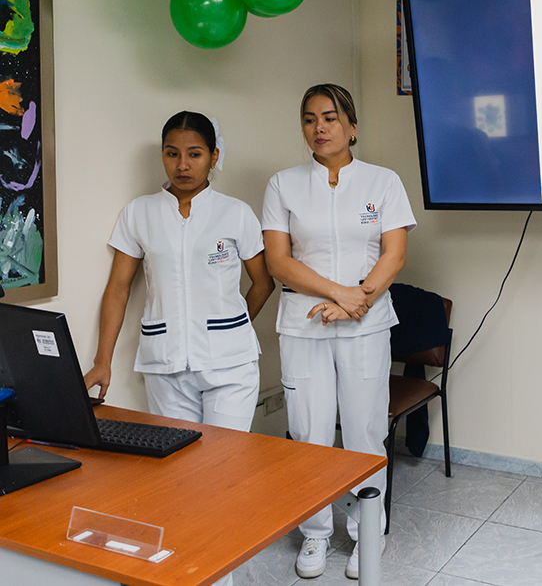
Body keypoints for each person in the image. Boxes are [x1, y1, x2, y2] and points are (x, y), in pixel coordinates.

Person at [84, 111, 274, 586]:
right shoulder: (140, 213)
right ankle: (195, 573)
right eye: (172, 154)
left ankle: (224, 575)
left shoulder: (235, 213)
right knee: (181, 479)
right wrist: (102, 360)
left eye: (194, 154)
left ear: (213, 156)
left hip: (231, 369)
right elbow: (118, 289)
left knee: (223, 475)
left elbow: (262, 282)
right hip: (166, 366)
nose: (183, 164)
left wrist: (233, 328)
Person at [261, 84, 415, 580]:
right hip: (304, 323)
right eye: (309, 119)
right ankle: (315, 533)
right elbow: (279, 261)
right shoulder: (283, 184)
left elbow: (394, 253)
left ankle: (368, 531)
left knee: (365, 431)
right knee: (308, 432)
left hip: (365, 325)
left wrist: (357, 300)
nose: (319, 128)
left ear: (352, 126)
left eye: (330, 118)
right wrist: (339, 294)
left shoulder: (383, 181)